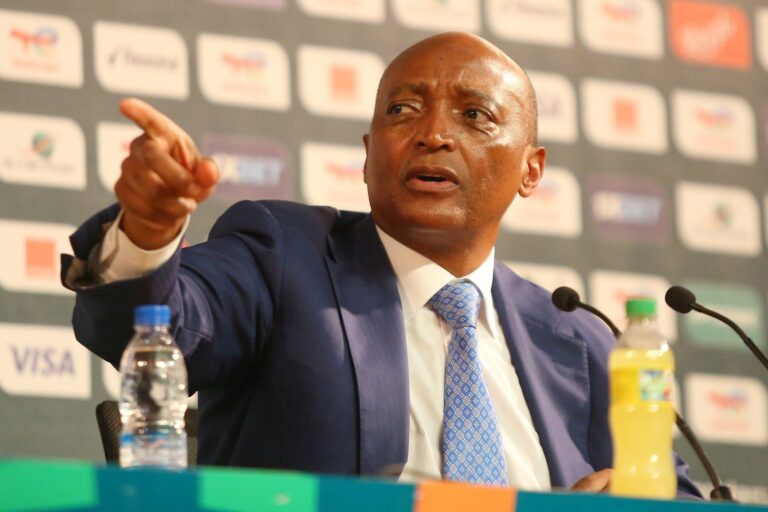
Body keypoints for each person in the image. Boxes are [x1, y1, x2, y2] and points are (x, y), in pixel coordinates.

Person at [62, 32, 701, 496]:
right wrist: (148, 233)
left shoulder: (580, 339)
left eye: (474, 116)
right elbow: (153, 328)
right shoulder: (284, 256)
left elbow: (671, 491)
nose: (433, 134)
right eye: (402, 110)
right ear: (369, 156)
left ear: (531, 170)